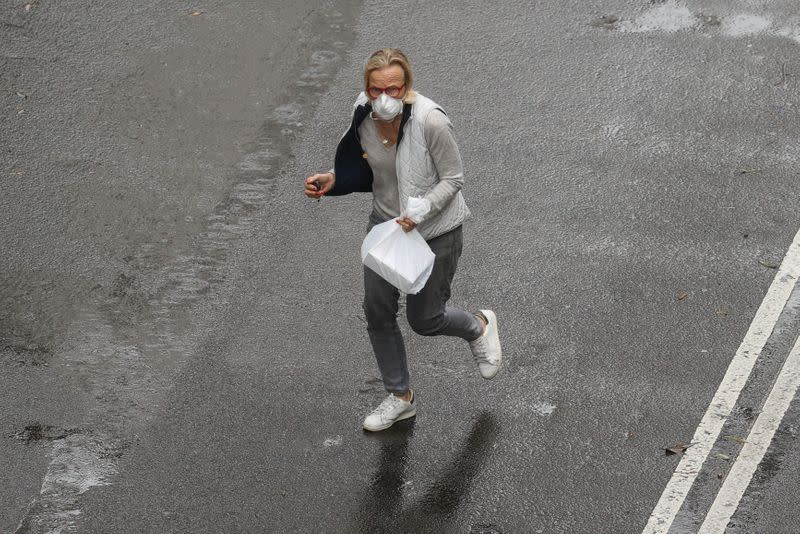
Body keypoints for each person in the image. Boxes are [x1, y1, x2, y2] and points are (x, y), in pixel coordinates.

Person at [305, 48, 502, 432]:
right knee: (377, 312)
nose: (384, 97)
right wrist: (334, 179)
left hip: (434, 233)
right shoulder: (362, 113)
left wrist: (422, 210)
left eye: (394, 89)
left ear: (407, 87)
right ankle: (400, 397)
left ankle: (479, 326)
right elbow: (372, 166)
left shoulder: (431, 121)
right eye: (377, 89)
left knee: (425, 320)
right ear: (366, 87)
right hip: (386, 228)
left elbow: (454, 179)